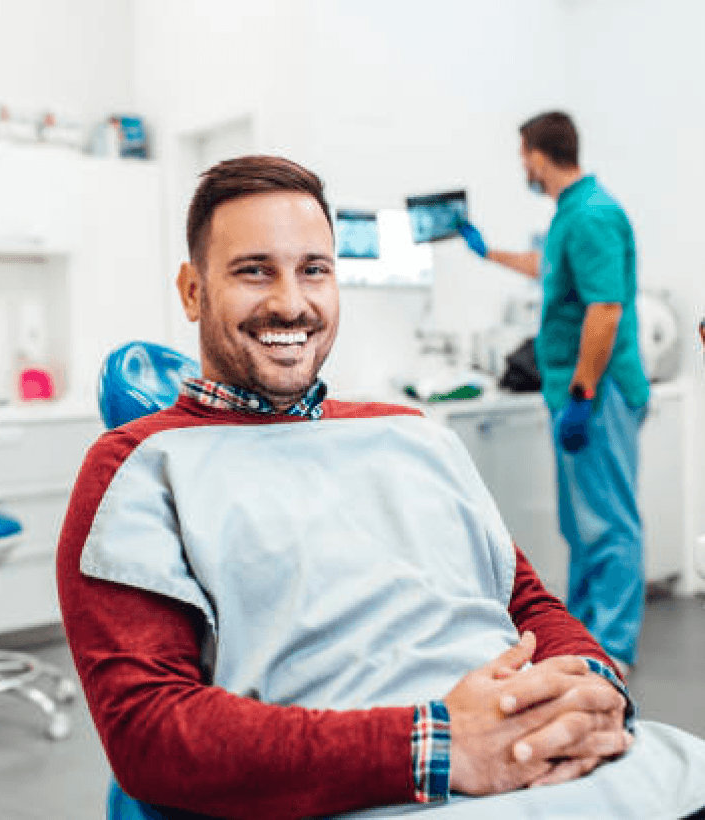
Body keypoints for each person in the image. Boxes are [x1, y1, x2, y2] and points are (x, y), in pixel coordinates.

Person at [57, 155, 705, 819]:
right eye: (255, 270)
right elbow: (153, 733)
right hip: (397, 793)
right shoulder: (139, 465)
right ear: (193, 291)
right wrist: (440, 745)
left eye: (314, 270)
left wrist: (595, 692)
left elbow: (526, 601)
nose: (291, 301)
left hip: (591, 763)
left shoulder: (414, 434)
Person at [458, 112, 650, 677]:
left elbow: (605, 308)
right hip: (575, 391)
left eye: (523, 154)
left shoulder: (592, 214)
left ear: (538, 156)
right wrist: (487, 252)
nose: (522, 165)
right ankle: (588, 633)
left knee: (610, 522)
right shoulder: (572, 212)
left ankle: (613, 646)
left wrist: (585, 392)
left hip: (599, 391)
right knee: (583, 522)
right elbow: (548, 270)